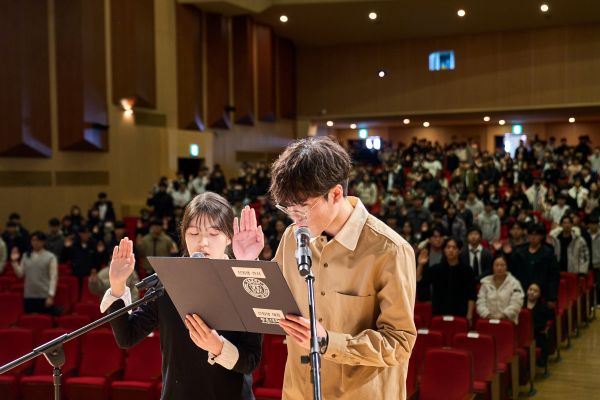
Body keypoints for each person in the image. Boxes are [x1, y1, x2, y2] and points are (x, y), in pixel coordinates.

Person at [233, 137, 416, 400]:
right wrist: (248, 265)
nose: (295, 218)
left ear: (336, 194)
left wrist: (330, 341)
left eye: (303, 208)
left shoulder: (389, 250)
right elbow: (266, 310)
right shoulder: (292, 237)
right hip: (299, 392)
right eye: (288, 209)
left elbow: (399, 344)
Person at [101, 192, 262, 399]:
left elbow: (252, 360)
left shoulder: (243, 282)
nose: (203, 242)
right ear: (184, 235)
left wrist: (219, 347)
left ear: (229, 237)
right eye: (194, 233)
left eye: (213, 234)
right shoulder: (168, 281)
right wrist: (117, 285)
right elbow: (127, 337)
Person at [417, 238, 477, 325]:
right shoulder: (437, 268)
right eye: (448, 247)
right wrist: (420, 264)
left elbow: (472, 295)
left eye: (454, 248)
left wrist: (469, 314)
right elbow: (419, 280)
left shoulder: (467, 270)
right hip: (439, 313)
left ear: (459, 250)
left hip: (461, 314)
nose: (451, 250)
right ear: (444, 250)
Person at [509, 223, 560, 308]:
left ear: (541, 237)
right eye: (531, 234)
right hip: (521, 292)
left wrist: (552, 297)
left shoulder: (548, 253)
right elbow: (512, 273)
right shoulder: (519, 252)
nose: (533, 237)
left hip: (542, 294)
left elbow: (553, 277)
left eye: (536, 235)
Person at [12, 232, 59, 315]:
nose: (35, 243)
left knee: (43, 321)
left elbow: (53, 277)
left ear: (43, 242)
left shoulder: (50, 257)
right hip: (29, 295)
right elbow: (20, 274)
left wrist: (50, 295)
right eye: (33, 240)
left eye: (38, 240)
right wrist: (14, 262)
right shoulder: (26, 255)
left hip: (44, 295)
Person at [476, 255, 524, 324]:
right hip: (488, 321)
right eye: (496, 265)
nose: (499, 268)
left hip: (508, 322)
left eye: (502, 265)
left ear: (507, 267)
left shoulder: (514, 283)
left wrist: (502, 316)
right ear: (492, 267)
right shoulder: (485, 282)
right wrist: (488, 316)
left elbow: (516, 303)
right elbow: (480, 302)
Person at [525, 283, 553, 367]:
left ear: (539, 294)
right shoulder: (519, 304)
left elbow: (541, 325)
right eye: (530, 290)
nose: (532, 292)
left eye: (535, 291)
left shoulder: (542, 308)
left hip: (536, 335)